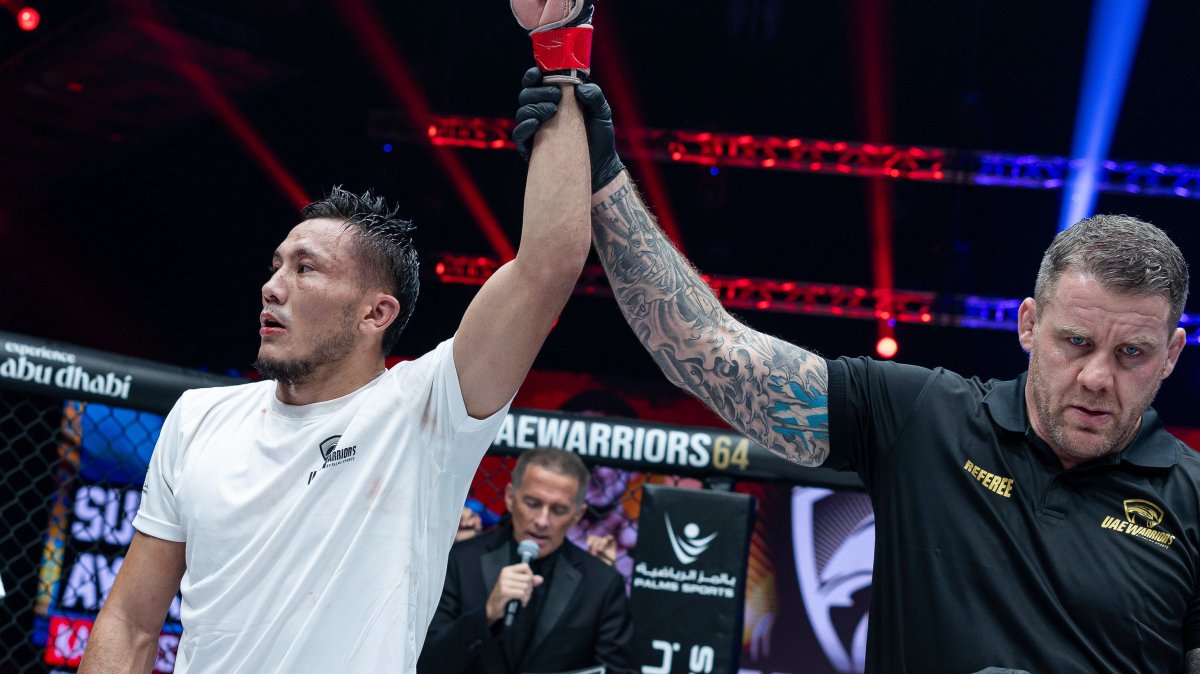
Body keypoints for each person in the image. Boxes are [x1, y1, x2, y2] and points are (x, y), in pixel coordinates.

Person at [513, 80, 1198, 672]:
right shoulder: (927, 417)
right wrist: (601, 176)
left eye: (1131, 354)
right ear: (1027, 325)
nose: (1097, 377)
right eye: (1075, 342)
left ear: (1170, 355)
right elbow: (704, 347)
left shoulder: (1193, 501)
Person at [77, 73, 591, 672]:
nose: (272, 287)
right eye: (276, 266)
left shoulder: (425, 412)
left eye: (306, 269)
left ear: (376, 313)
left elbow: (547, 265)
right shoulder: (198, 418)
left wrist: (561, 57)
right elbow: (131, 622)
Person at [420, 447, 635, 674]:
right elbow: (425, 662)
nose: (542, 521)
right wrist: (487, 614)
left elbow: (620, 669)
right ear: (510, 497)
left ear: (577, 515)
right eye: (532, 503)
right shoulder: (460, 562)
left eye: (558, 510)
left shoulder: (601, 584)